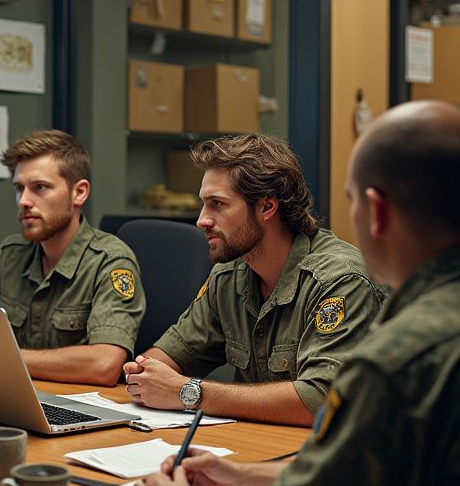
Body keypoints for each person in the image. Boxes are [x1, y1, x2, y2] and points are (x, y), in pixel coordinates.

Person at [129, 101, 460, 486]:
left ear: (378, 211)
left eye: (354, 201)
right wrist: (248, 474)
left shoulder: (401, 359)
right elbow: (386, 463)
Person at [122, 133, 384, 424]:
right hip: (253, 449)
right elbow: (166, 358)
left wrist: (188, 392)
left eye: (217, 204)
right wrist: (145, 374)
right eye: (203, 204)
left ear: (267, 207)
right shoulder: (229, 276)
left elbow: (321, 400)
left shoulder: (341, 280)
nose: (201, 220)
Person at [0, 129, 144, 386]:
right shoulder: (11, 255)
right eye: (19, 188)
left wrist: (0, 357)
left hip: (78, 410)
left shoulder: (110, 262)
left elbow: (104, 364)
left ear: (79, 193)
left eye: (40, 188)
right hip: (14, 395)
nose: (23, 201)